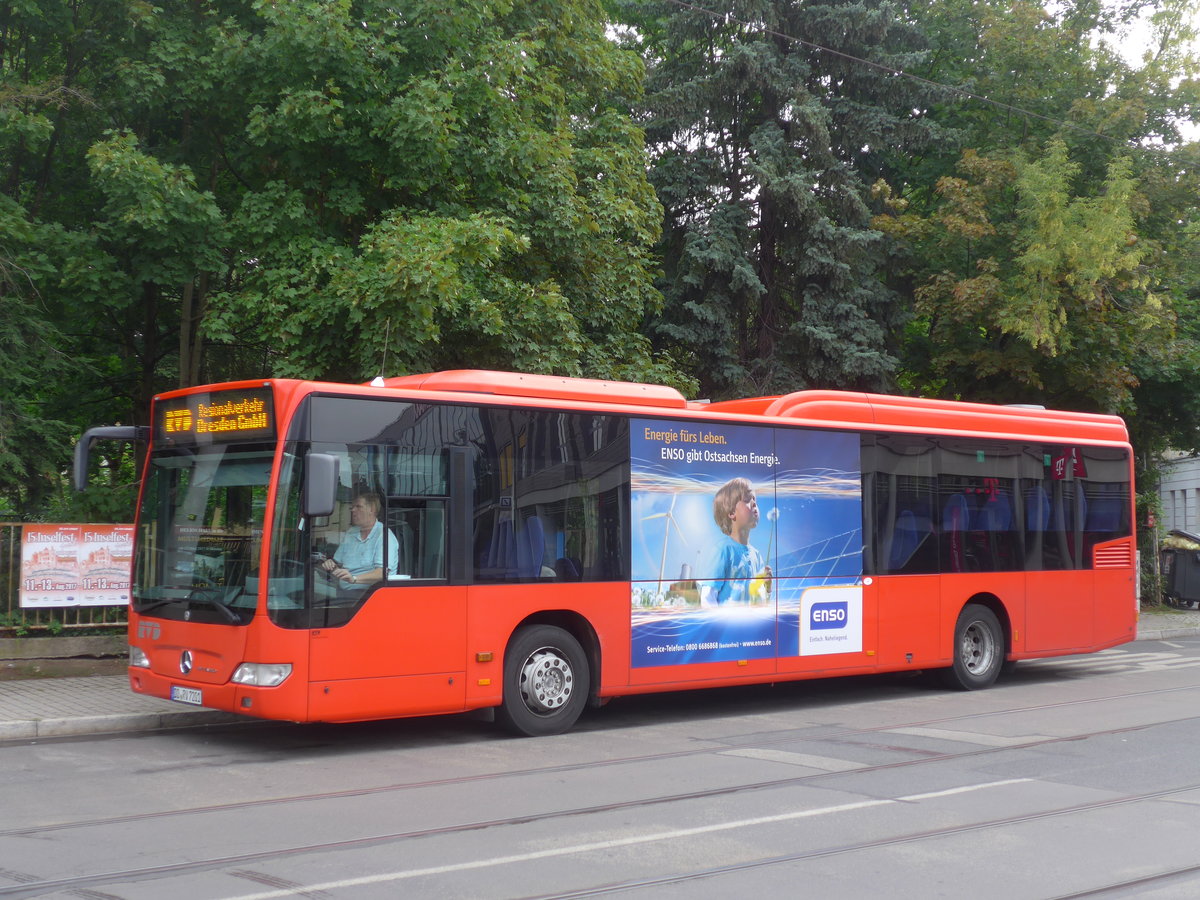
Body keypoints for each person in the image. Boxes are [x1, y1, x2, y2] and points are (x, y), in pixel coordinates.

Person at [704, 477, 772, 605]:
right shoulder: (723, 551)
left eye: (754, 499)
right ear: (731, 513)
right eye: (747, 499)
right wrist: (716, 625)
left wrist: (768, 589)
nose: (754, 503)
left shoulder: (757, 556)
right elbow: (708, 597)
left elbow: (759, 599)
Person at [320, 492, 399, 589]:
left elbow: (382, 573)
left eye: (358, 506)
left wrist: (354, 579)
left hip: (367, 595)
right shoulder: (351, 532)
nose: (353, 510)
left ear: (372, 510)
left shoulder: (384, 536)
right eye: (352, 507)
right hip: (343, 592)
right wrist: (330, 564)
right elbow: (338, 563)